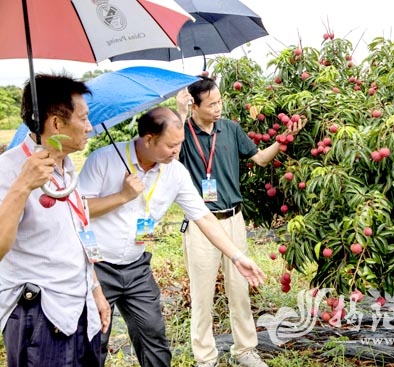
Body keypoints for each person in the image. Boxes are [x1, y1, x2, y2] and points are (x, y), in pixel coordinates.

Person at [78, 106, 266, 367]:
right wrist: (122, 196)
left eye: (180, 144)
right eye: (171, 145)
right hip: (98, 268)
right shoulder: (104, 159)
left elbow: (203, 217)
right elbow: (79, 211)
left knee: (154, 337)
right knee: (93, 341)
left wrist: (236, 256)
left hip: (136, 267)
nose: (177, 151)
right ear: (149, 140)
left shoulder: (175, 172)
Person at [176, 76, 305, 367]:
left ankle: (245, 350)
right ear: (194, 105)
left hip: (233, 219)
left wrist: (283, 139)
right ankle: (205, 358)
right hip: (200, 224)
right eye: (211, 104)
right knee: (202, 294)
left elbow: (259, 159)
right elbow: (165, 156)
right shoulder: (181, 133)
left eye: (220, 101)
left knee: (240, 289)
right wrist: (179, 115)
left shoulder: (231, 129)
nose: (219, 107)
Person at [0, 74, 110, 367]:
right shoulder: (9, 170)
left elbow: (78, 234)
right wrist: (24, 185)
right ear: (57, 124)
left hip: (81, 308)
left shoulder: (67, 167)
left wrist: (96, 290)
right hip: (40, 315)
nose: (89, 127)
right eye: (84, 118)